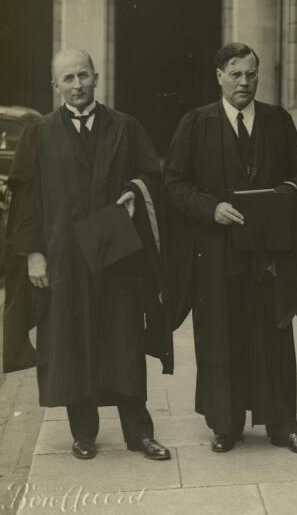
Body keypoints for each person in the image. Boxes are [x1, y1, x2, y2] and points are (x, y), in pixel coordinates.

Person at [2, 49, 171, 461]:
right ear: (55, 86)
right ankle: (84, 433)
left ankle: (138, 432)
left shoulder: (126, 127)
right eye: (68, 79)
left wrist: (134, 189)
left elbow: (153, 175)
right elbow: (24, 201)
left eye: (83, 76)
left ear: (97, 77)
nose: (77, 85)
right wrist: (33, 254)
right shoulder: (38, 133)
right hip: (65, 259)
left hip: (117, 256)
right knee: (72, 343)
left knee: (124, 339)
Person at [163, 42, 297, 454]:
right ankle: (226, 424)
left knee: (273, 334)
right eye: (236, 73)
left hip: (269, 254)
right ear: (219, 75)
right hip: (217, 255)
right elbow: (173, 184)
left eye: (251, 74)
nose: (244, 82)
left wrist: (281, 197)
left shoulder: (277, 121)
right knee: (221, 336)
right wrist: (211, 208)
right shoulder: (196, 123)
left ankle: (283, 424)